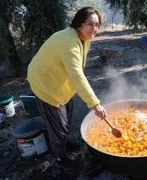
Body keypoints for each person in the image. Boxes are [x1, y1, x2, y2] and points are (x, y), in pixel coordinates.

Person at [27, 7, 107, 166]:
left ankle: (63, 139)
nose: (94, 29)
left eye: (97, 25)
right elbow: (77, 74)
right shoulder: (68, 42)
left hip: (59, 80)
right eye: (90, 24)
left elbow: (76, 67)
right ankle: (60, 157)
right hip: (45, 84)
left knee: (67, 116)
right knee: (58, 125)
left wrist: (77, 87)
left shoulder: (84, 38)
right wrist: (95, 104)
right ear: (79, 24)